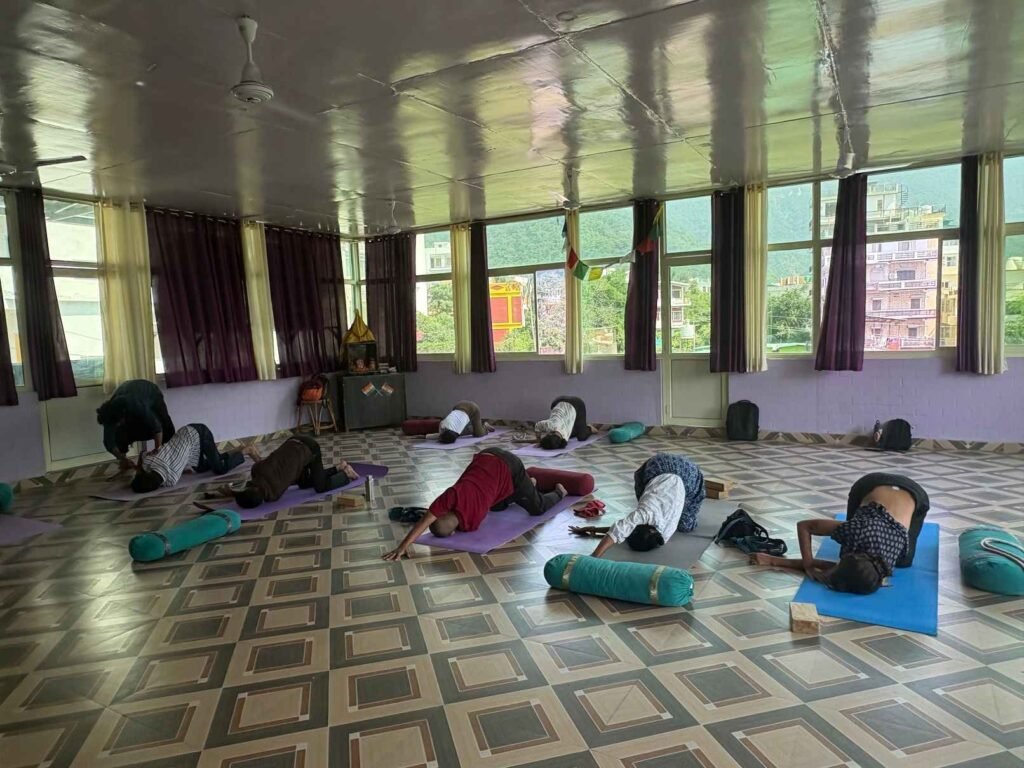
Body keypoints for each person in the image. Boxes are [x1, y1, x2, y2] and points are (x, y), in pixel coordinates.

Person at [749, 473, 930, 594]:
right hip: (871, 484)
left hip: (916, 494)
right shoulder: (854, 530)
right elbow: (805, 526)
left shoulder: (889, 562)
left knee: (905, 562)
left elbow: (840, 567)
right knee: (852, 541)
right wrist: (808, 565)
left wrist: (777, 561)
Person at [383, 447, 567, 560]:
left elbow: (433, 522)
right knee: (497, 506)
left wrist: (403, 547)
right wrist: (402, 546)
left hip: (512, 467)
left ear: (454, 531)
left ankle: (560, 492)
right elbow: (426, 519)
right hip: (488, 454)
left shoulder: (472, 522)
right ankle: (528, 486)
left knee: (538, 508)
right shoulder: (451, 495)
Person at [571, 452, 705, 557]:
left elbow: (623, 530)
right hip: (670, 467)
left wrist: (593, 533)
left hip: (670, 467)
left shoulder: (660, 531)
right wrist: (594, 550)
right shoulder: (647, 516)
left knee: (686, 525)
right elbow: (622, 530)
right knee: (686, 526)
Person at [231, 435, 358, 509]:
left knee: (321, 486)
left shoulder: (273, 493)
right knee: (303, 482)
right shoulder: (256, 470)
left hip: (310, 448)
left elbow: (274, 492)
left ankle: (345, 474)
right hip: (294, 440)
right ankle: (338, 467)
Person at [131, 423, 251, 493]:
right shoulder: (149, 461)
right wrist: (139, 469)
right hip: (186, 432)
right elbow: (142, 454)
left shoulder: (171, 479)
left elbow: (170, 469)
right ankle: (237, 450)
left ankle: (246, 450)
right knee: (201, 467)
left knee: (220, 469)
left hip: (199, 433)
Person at [97, 379, 176, 473]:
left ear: (123, 414)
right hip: (128, 390)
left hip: (151, 392)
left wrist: (157, 450)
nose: (116, 425)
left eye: (118, 422)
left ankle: (171, 458)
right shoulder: (108, 414)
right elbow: (109, 442)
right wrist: (122, 458)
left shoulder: (136, 406)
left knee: (166, 427)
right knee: (119, 434)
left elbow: (157, 428)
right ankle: (125, 463)